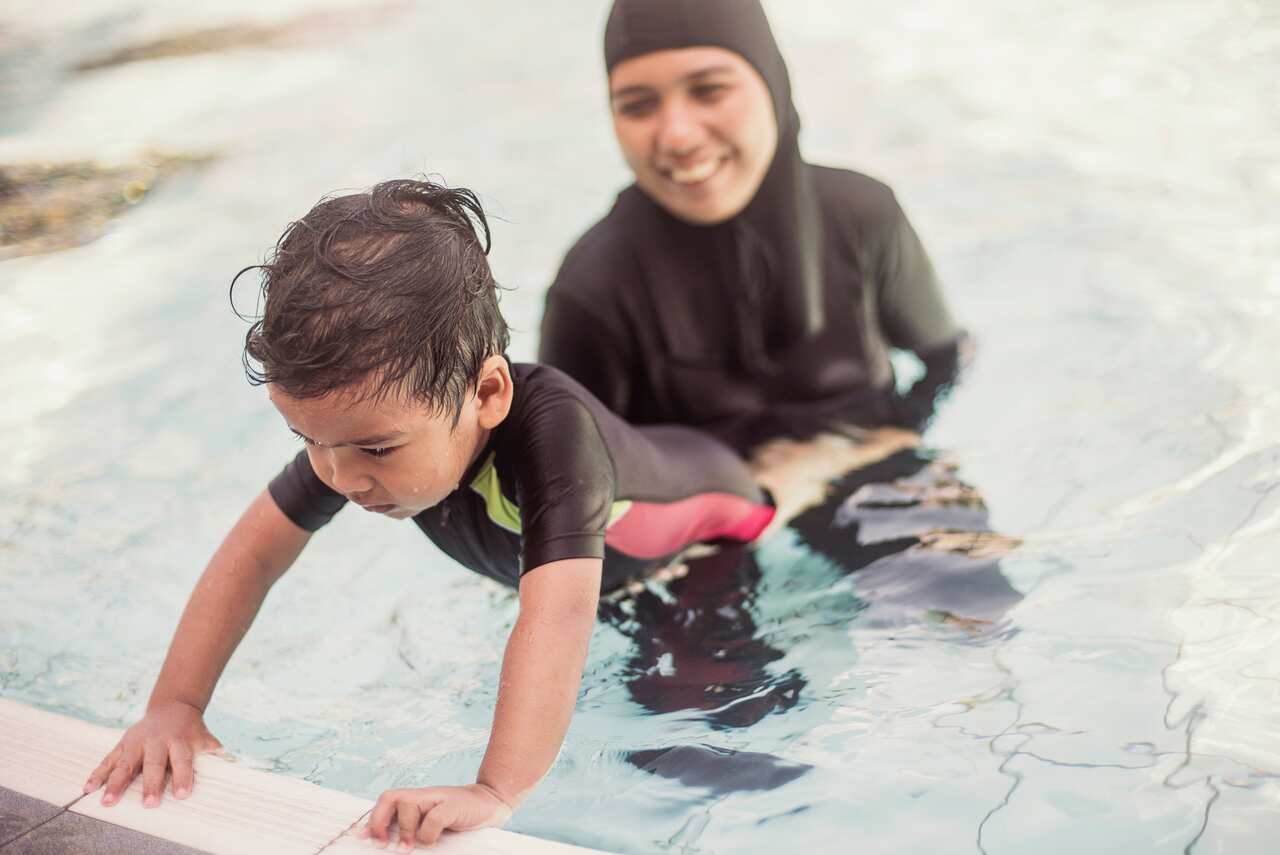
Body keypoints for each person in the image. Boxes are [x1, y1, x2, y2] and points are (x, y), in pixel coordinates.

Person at [81, 178, 775, 849]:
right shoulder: (357, 434)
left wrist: (496, 788)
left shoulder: (554, 435)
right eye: (308, 441)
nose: (340, 476)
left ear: (489, 392)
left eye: (375, 448)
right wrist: (176, 704)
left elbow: (560, 616)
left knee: (695, 747)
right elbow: (254, 552)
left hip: (722, 542)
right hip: (611, 564)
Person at [539, 0, 967, 455]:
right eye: (637, 106)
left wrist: (879, 449)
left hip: (885, 475)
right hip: (710, 522)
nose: (676, 136)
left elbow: (947, 361)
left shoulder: (863, 216)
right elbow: (562, 480)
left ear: (772, 84)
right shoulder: (593, 289)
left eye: (708, 90)